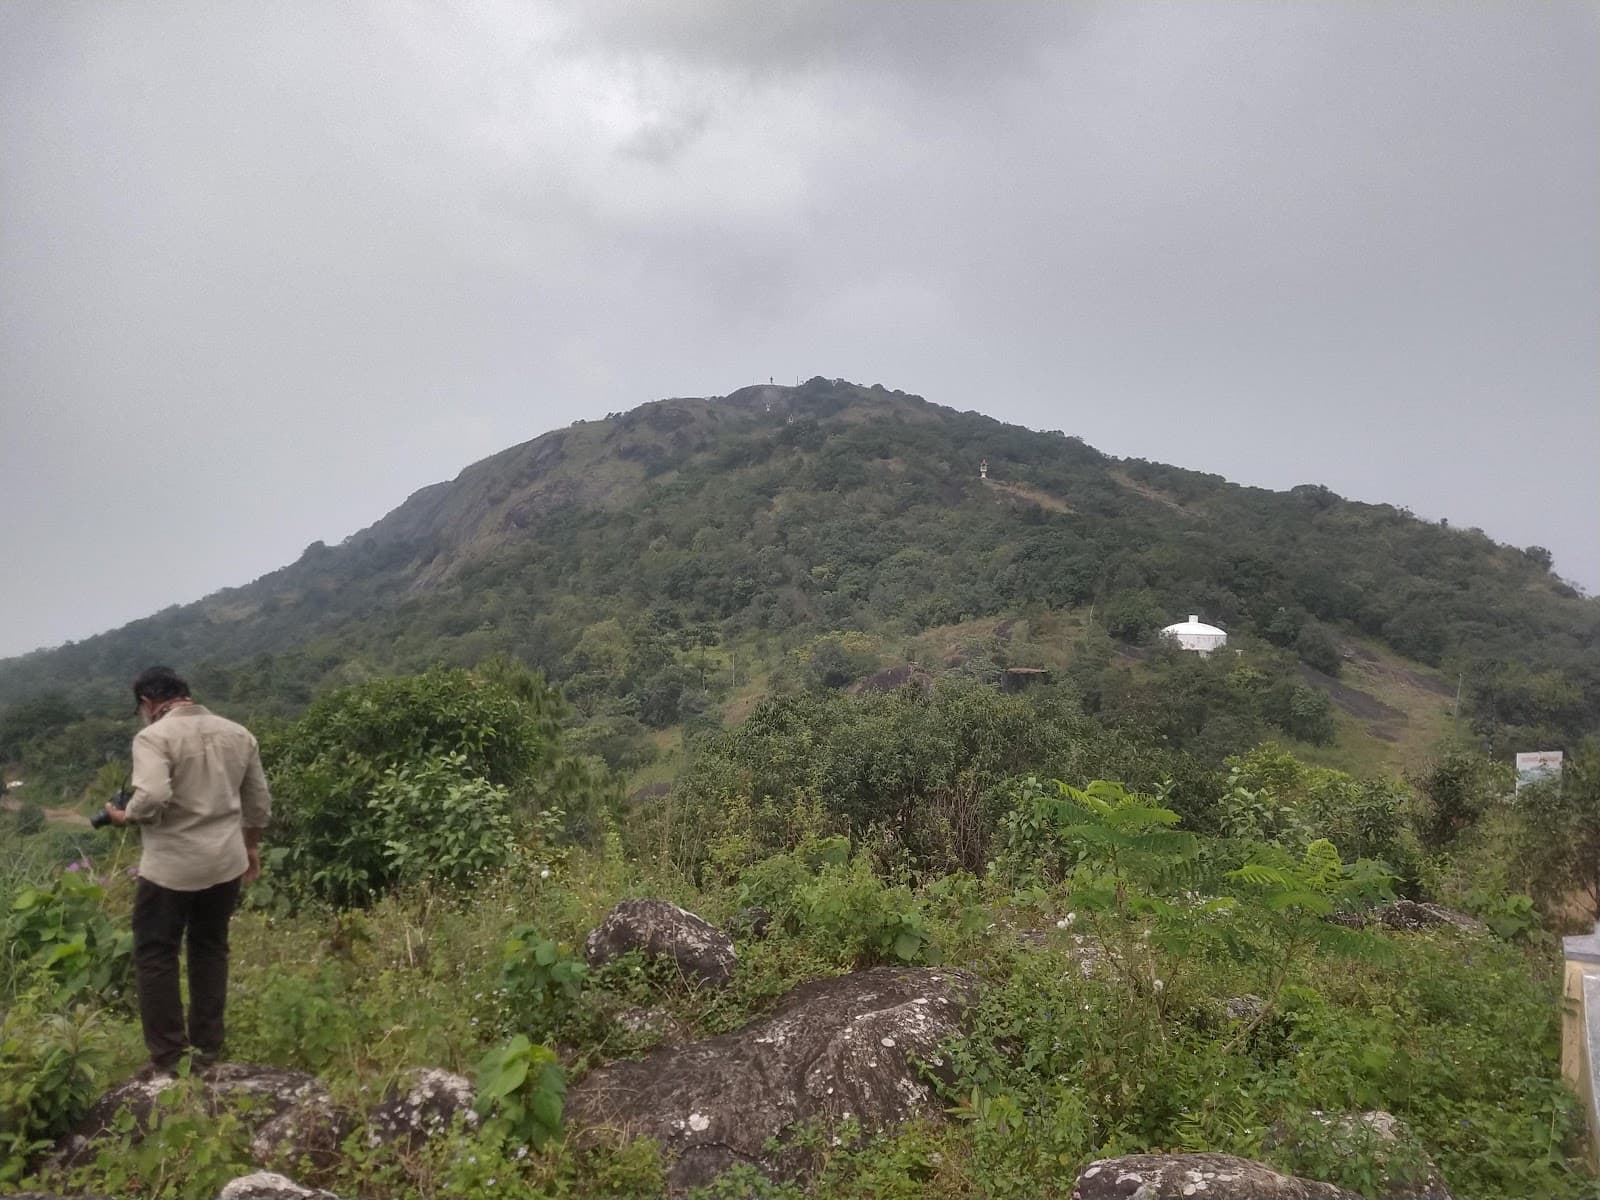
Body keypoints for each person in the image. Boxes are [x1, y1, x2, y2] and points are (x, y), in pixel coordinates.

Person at [104, 666, 271, 1075]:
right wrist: (250, 847)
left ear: (147, 703)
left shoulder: (153, 737)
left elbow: (154, 795)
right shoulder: (238, 733)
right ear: (186, 693)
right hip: (225, 862)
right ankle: (207, 1050)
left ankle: (169, 1058)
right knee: (209, 948)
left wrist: (127, 816)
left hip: (171, 869)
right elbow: (259, 802)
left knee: (156, 953)